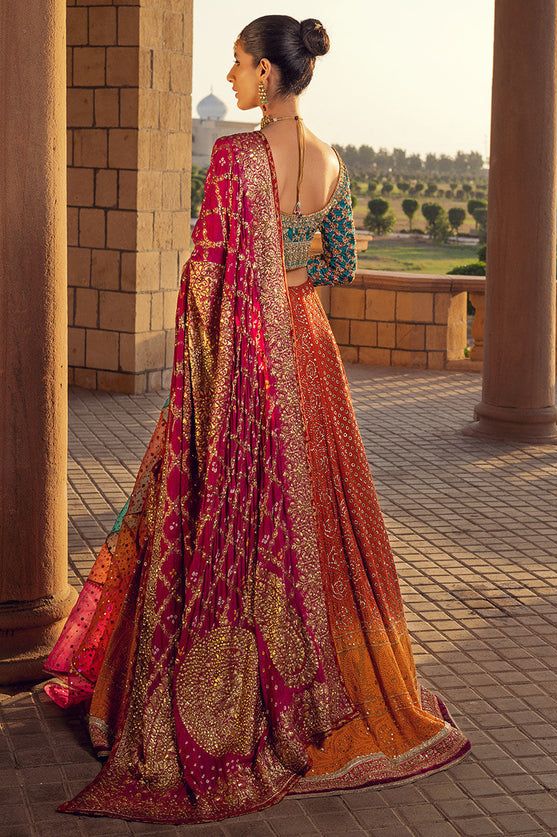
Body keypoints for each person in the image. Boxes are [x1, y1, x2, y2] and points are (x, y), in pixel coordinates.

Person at [42, 14, 472, 825]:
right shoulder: (333, 160)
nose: (231, 75)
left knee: (227, 516)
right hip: (310, 349)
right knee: (320, 513)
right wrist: (289, 278)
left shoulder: (238, 157)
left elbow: (205, 282)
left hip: (247, 360)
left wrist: (204, 381)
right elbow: (338, 264)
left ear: (269, 76)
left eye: (239, 62)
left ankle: (230, 707)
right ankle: (338, 687)